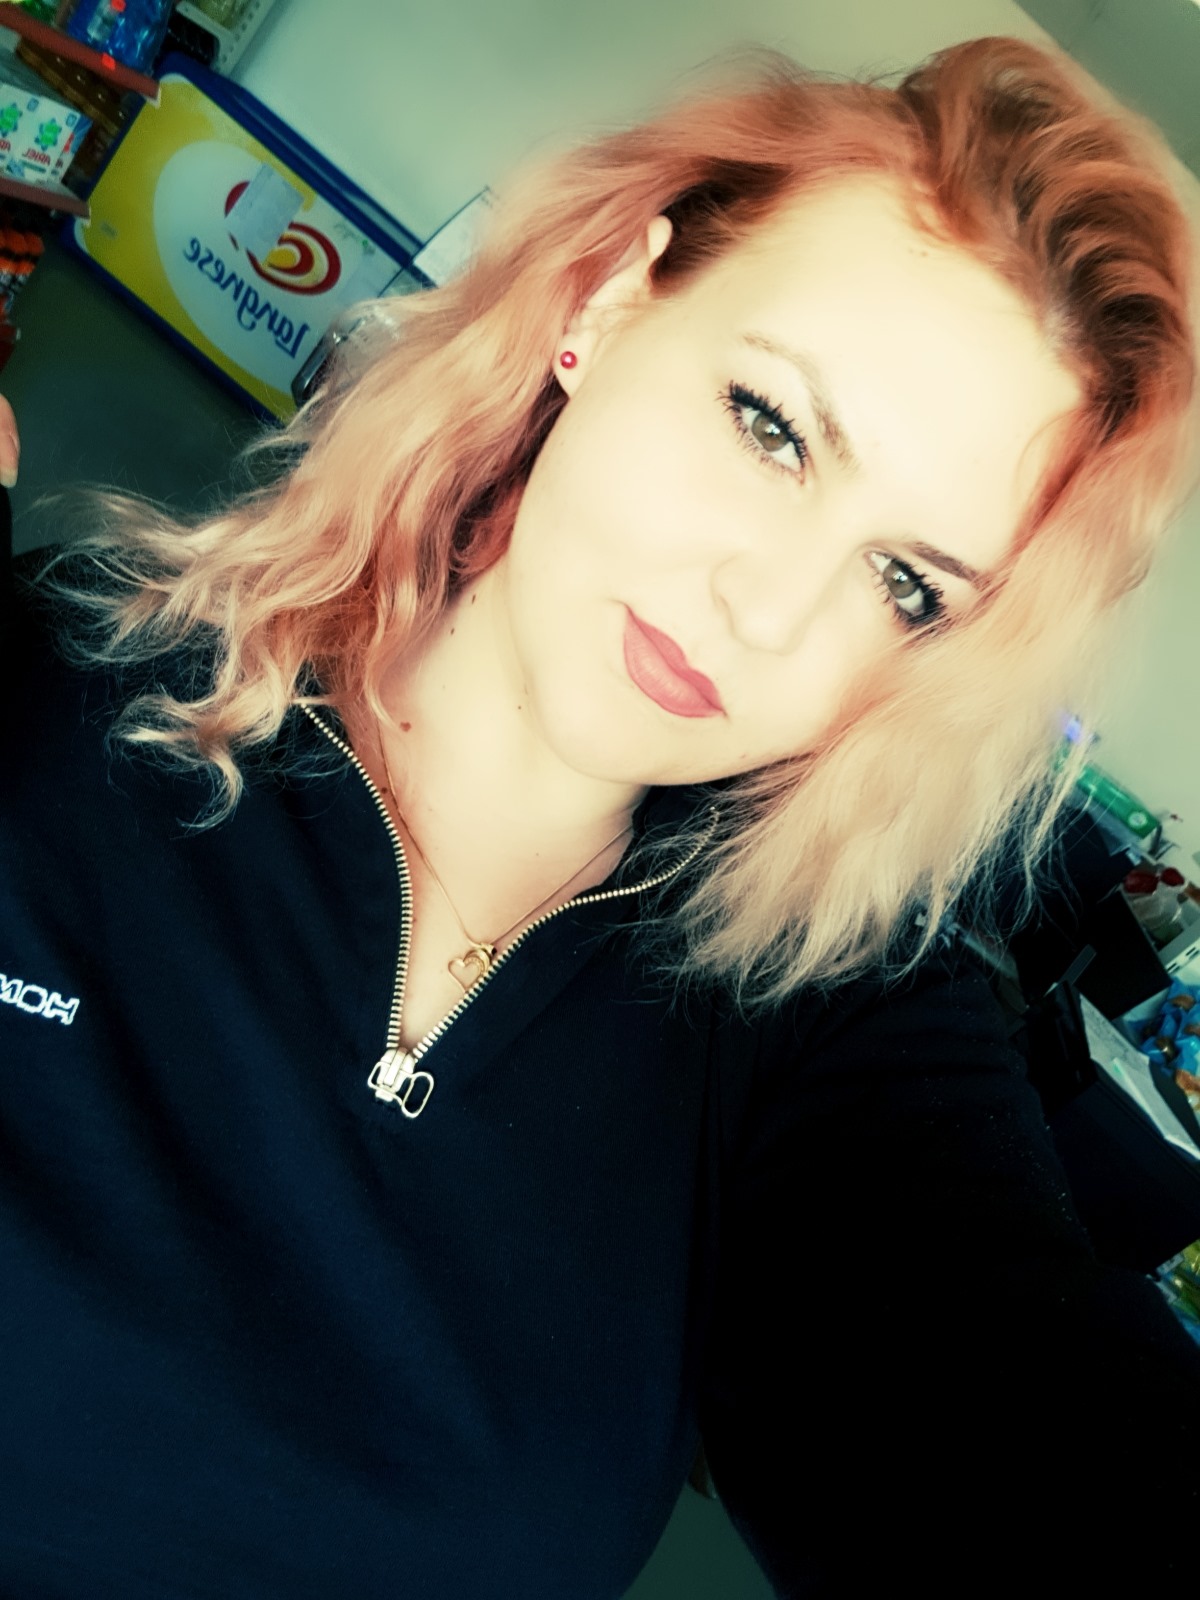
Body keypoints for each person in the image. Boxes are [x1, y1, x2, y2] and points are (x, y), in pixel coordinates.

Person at [2, 33, 1199, 1599]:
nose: (767, 610)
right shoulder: (59, 688)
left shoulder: (815, 1028)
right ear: (611, 305)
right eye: (771, 426)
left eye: (907, 585)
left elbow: (1030, 1438)